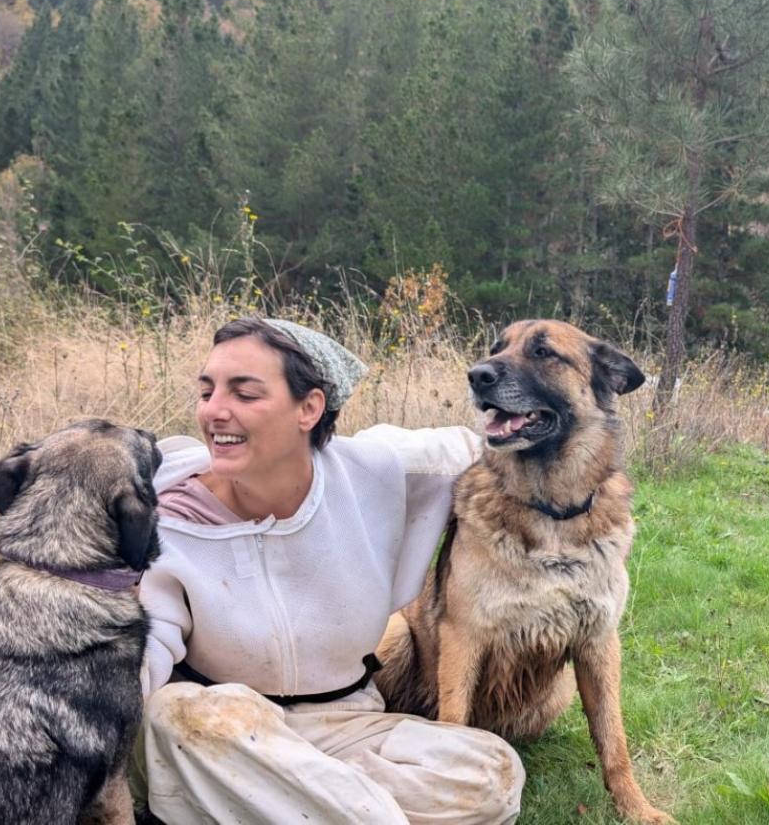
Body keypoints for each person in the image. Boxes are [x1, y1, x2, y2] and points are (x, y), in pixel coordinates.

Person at [132, 317, 525, 824]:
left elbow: (489, 446)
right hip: (221, 729)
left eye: (244, 394)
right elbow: (144, 644)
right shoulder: (161, 509)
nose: (214, 411)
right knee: (175, 715)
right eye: (206, 392)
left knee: (491, 770)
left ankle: (264, 807)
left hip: (345, 724)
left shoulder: (377, 472)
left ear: (310, 408)